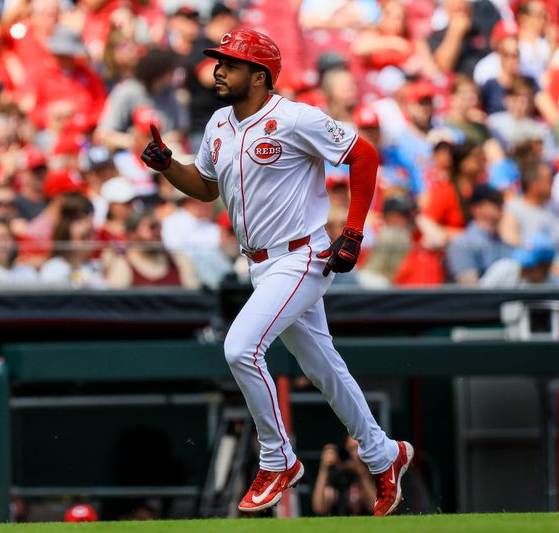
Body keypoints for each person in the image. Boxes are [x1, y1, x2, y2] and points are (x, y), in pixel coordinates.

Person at [141, 28, 412, 516]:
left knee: (240, 347)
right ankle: (383, 453)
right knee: (324, 369)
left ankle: (278, 459)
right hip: (260, 264)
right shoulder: (218, 123)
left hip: (303, 255)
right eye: (218, 61)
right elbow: (204, 188)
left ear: (260, 75)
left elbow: (364, 155)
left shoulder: (294, 117)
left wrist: (352, 230)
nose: (218, 69)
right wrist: (167, 166)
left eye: (231, 62)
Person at [445, 185, 513, 285]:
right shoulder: (461, 244)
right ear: (476, 208)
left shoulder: (503, 244)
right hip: (473, 300)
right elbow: (469, 289)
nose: (500, 209)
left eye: (500, 204)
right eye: (494, 203)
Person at [312, 435, 376, 516]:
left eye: (357, 449)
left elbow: (373, 507)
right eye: (350, 449)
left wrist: (361, 472)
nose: (354, 454)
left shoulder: (373, 471)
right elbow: (319, 509)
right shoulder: (337, 473)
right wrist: (324, 469)